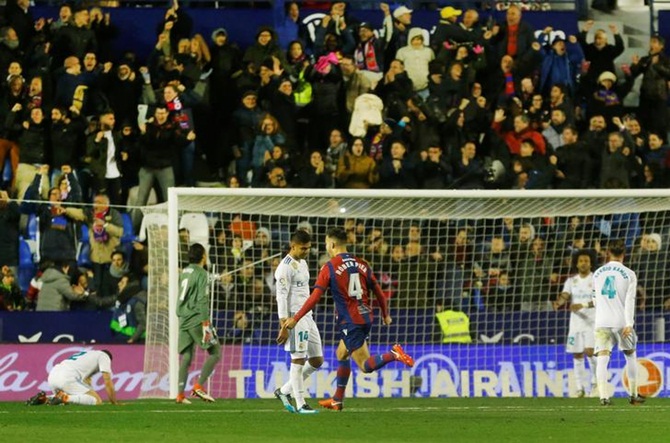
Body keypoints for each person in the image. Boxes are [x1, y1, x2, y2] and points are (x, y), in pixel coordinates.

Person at [279, 227, 414, 411]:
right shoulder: (362, 263)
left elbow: (315, 297)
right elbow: (379, 292)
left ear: (332, 244)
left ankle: (394, 354)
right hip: (365, 316)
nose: (326, 247)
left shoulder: (329, 267)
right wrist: (385, 314)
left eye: (327, 243)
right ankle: (337, 400)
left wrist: (296, 317)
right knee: (341, 353)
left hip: (351, 321)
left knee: (365, 365)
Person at [273, 229, 323, 414]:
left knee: (317, 360)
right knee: (298, 359)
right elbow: (281, 296)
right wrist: (284, 324)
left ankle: (284, 391)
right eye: (303, 248)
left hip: (307, 316)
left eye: (308, 248)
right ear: (292, 246)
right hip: (294, 317)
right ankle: (301, 404)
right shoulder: (284, 267)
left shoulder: (302, 263)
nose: (306, 251)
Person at [592, 239, 645, 406]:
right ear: (624, 253)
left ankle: (603, 397)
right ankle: (633, 394)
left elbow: (594, 299)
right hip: (622, 322)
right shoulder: (629, 274)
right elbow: (630, 300)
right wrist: (629, 323)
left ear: (608, 252)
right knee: (630, 354)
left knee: (602, 357)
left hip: (601, 321)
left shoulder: (598, 273)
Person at [176, 243, 221, 404]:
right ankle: (198, 386)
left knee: (187, 355)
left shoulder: (184, 272)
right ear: (203, 256)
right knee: (215, 352)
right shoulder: (202, 273)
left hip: (183, 317)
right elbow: (202, 299)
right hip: (196, 318)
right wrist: (205, 323)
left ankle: (180, 395)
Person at [552, 251, 597, 398]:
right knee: (577, 354)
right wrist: (559, 302)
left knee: (590, 352)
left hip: (592, 322)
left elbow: (599, 300)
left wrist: (582, 304)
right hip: (576, 323)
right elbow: (565, 294)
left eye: (586, 260)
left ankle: (595, 384)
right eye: (581, 261)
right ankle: (580, 389)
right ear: (577, 264)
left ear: (590, 263)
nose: (584, 263)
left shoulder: (596, 279)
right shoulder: (571, 281)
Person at [27, 349, 120, 406]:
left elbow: (86, 383)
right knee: (96, 400)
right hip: (67, 377)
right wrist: (114, 402)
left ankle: (44, 398)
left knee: (72, 398)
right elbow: (107, 381)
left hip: (53, 375)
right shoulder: (104, 356)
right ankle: (64, 397)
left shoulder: (87, 354)